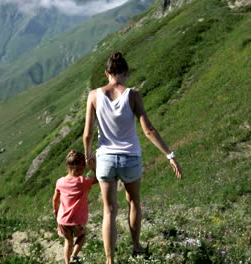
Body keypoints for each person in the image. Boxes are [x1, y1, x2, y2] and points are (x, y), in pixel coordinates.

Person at [83, 51, 183, 264]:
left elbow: (88, 133)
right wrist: (169, 155)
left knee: (109, 211)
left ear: (106, 72)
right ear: (126, 73)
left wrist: (88, 156)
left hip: (106, 159)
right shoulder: (133, 95)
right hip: (130, 157)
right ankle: (136, 247)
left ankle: (110, 261)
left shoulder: (93, 95)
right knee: (134, 202)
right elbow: (148, 130)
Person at [52, 150, 98, 264]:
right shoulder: (83, 182)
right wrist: (93, 166)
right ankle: (74, 256)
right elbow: (99, 178)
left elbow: (55, 199)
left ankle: (67, 262)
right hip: (77, 220)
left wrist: (55, 210)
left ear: (67, 166)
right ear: (82, 167)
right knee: (81, 236)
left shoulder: (60, 182)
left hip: (62, 219)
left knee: (68, 241)